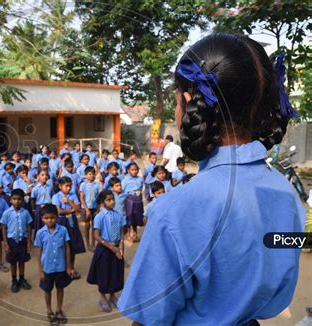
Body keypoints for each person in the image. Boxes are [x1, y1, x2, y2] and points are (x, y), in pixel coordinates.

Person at [118, 33, 305, 324]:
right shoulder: (288, 195)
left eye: (177, 100)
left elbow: (149, 317)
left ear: (189, 101)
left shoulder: (174, 211)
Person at [34, 204, 74, 325]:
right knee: (47, 290)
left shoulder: (63, 230)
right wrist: (40, 270)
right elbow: (38, 251)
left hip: (61, 267)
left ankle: (58, 310)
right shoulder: (40, 233)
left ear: (57, 217)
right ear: (42, 218)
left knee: (60, 288)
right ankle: (49, 310)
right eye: (46, 218)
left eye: (52, 217)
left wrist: (69, 266)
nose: (49, 220)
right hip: (47, 268)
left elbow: (67, 248)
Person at [87, 190, 125, 313]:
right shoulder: (100, 216)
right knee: (103, 274)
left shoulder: (119, 214)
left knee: (115, 273)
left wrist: (121, 248)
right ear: (103, 202)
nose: (112, 201)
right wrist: (111, 248)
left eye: (112, 199)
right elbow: (96, 235)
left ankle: (113, 295)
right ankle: (103, 298)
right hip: (104, 249)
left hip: (116, 247)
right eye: (108, 200)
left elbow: (122, 233)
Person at [52, 177, 85, 279]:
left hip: (72, 221)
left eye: (70, 186)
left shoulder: (73, 195)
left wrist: (69, 201)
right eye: (66, 186)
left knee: (72, 243)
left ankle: (71, 268)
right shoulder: (56, 196)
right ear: (60, 186)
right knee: (62, 244)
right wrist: (72, 210)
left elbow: (78, 209)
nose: (69, 188)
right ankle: (63, 268)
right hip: (61, 221)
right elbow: (59, 211)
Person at [1, 189, 33, 293]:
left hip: (22, 240)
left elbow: (28, 227)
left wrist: (29, 242)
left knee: (22, 261)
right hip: (11, 241)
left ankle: (22, 279)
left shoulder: (26, 213)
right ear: (10, 200)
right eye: (14, 199)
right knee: (13, 262)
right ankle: (14, 280)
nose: (17, 201)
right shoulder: (7, 213)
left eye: (19, 199)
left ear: (23, 200)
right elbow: (4, 228)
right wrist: (5, 243)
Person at [79, 166, 101, 252]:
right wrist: (87, 209)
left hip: (95, 207)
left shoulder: (97, 185)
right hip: (86, 208)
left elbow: (99, 197)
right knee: (87, 225)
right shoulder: (83, 185)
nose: (92, 176)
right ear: (85, 175)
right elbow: (81, 198)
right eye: (90, 174)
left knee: (94, 226)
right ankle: (87, 244)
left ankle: (93, 244)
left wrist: (98, 208)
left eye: (93, 174)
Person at [122, 163, 143, 242]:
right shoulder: (125, 180)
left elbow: (141, 187)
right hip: (129, 200)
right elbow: (123, 190)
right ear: (128, 170)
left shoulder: (139, 179)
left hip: (138, 200)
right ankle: (128, 234)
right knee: (129, 216)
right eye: (132, 170)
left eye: (136, 170)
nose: (135, 171)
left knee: (136, 217)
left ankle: (135, 234)